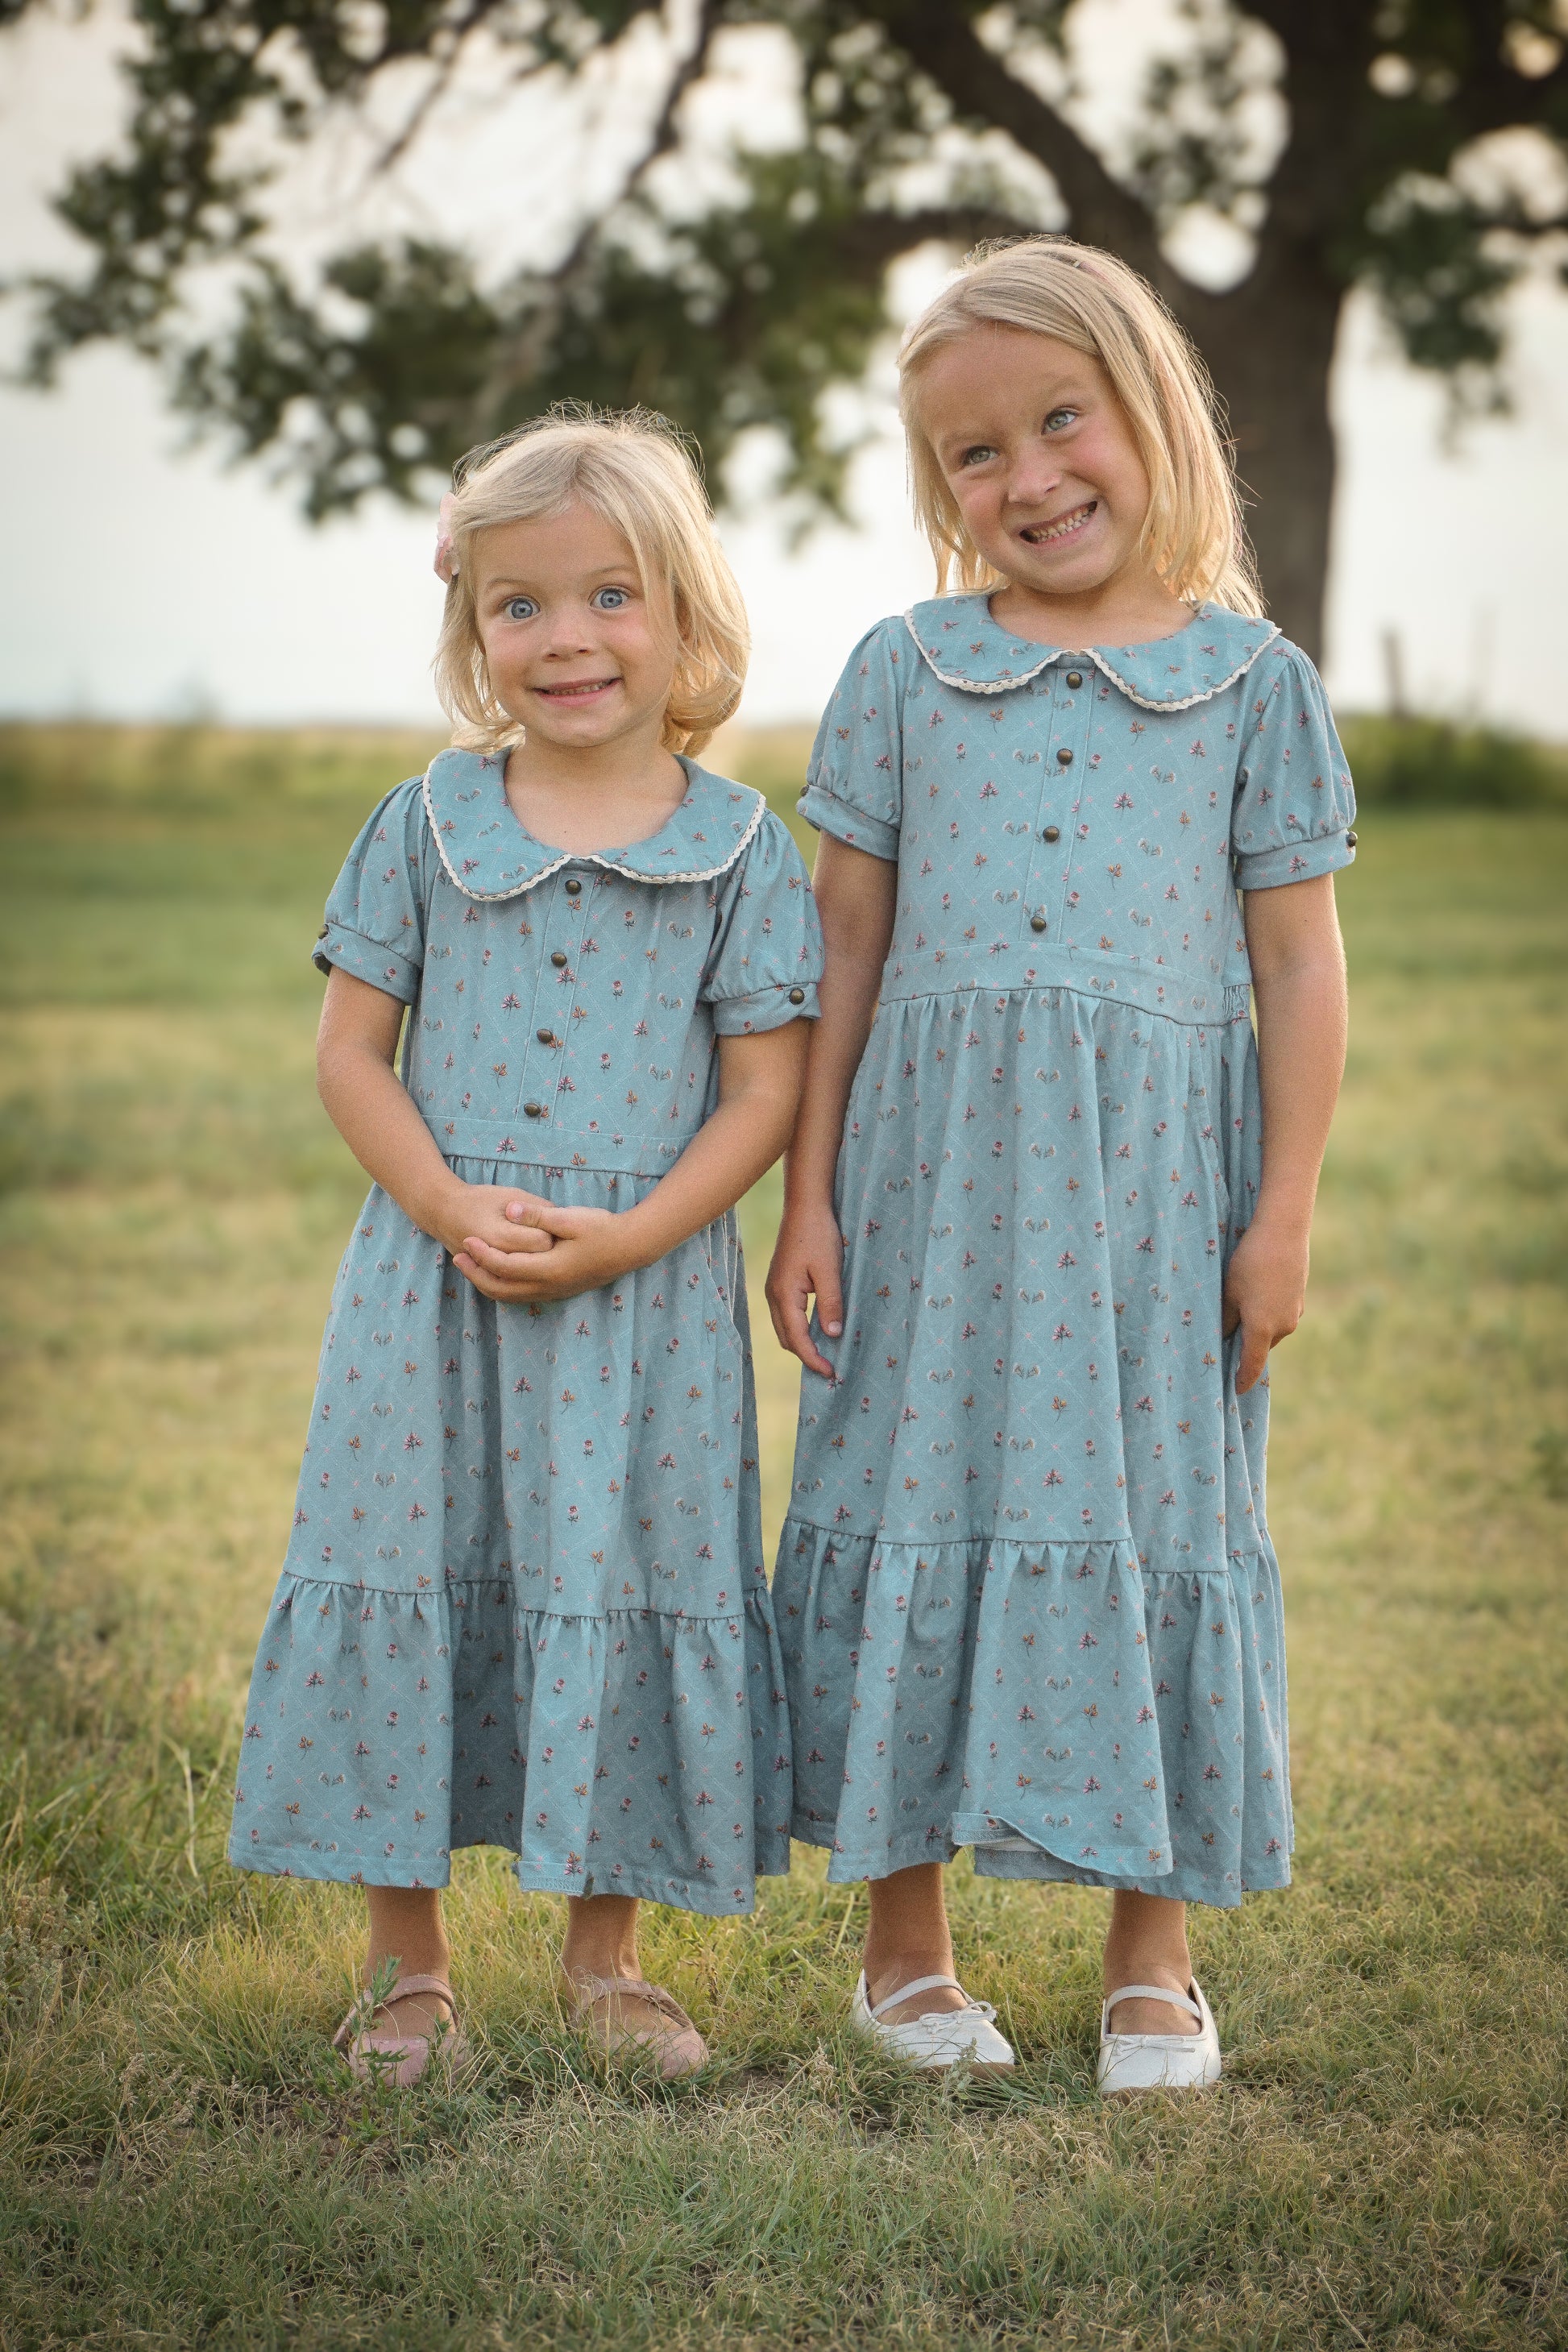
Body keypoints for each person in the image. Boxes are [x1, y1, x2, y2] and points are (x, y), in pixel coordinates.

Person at [766, 237, 1354, 2091]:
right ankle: (902, 1953)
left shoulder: (1250, 683)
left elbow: (1294, 962)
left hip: (1155, 1193)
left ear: (1146, 407)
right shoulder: (906, 671)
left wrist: (1281, 1211)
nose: (1026, 479)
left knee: (1163, 1510)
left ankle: (1151, 1957)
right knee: (912, 1499)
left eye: (1057, 421)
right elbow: (838, 950)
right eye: (971, 457)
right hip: (927, 1185)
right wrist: (803, 1190)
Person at [229, 408, 822, 2084]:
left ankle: (607, 1957)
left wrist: (631, 1231)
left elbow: (764, 1088)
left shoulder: (738, 849)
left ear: (686, 616)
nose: (567, 638)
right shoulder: (423, 826)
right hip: (438, 1288)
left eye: (612, 596)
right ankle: (405, 1966)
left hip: (642, 1296)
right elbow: (352, 1051)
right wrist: (437, 1199)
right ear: (471, 629)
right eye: (520, 605)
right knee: (411, 1574)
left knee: (624, 1582)